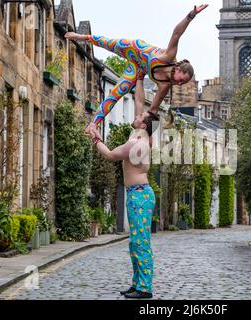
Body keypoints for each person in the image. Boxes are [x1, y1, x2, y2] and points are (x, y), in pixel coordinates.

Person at [64, 4, 209, 135]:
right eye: (180, 80)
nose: (178, 84)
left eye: (181, 84)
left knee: (117, 93)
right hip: (135, 49)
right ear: (178, 69)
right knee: (107, 43)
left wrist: (148, 134)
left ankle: (93, 124)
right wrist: (191, 15)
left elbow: (151, 111)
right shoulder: (169, 57)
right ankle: (81, 36)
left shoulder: (165, 85)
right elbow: (176, 33)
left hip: (137, 68)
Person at [88, 72, 158, 299]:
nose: (137, 113)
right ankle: (137, 283)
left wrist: (96, 137)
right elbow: (139, 101)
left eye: (141, 115)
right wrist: (139, 76)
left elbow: (108, 155)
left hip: (139, 195)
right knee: (135, 242)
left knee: (140, 242)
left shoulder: (135, 144)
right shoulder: (144, 134)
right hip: (138, 194)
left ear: (143, 123)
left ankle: (145, 288)